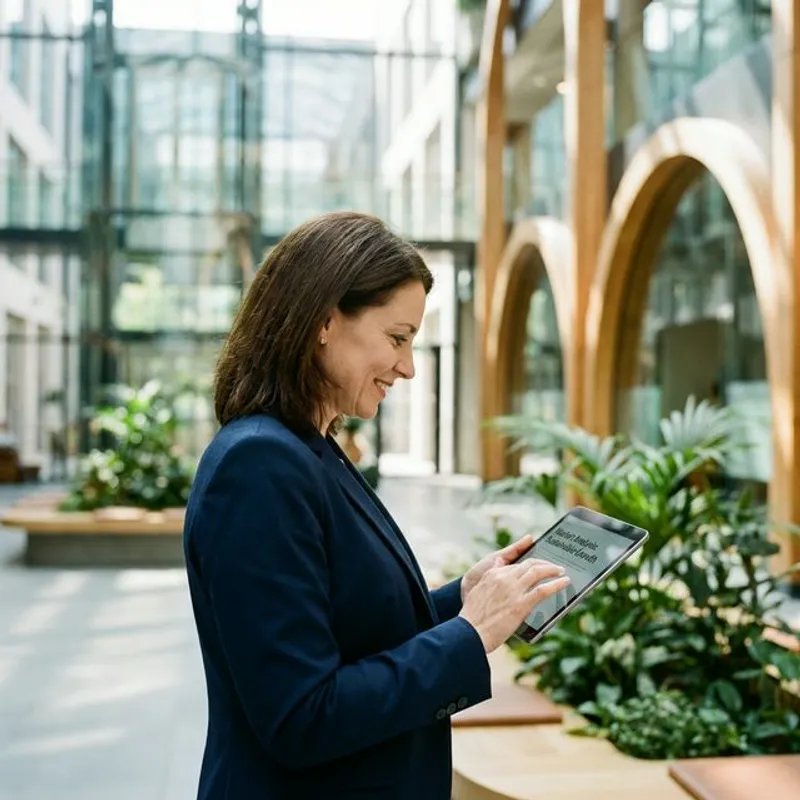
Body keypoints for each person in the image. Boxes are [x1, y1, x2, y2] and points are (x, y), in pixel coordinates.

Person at [183, 212, 570, 800]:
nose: (409, 367)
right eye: (397, 338)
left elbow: (352, 626)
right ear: (323, 321)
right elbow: (301, 716)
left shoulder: (308, 450)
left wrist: (462, 599)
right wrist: (470, 634)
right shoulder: (259, 466)